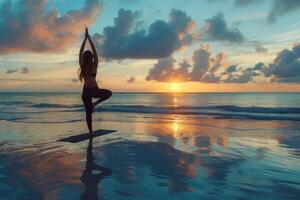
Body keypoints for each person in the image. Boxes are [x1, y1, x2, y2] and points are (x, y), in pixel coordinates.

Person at [79, 28, 112, 134]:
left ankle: (90, 132)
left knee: (88, 113)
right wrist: (89, 39)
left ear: (84, 58)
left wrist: (85, 39)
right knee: (108, 94)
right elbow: (94, 51)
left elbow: (80, 52)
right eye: (92, 56)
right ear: (91, 57)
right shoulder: (94, 65)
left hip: (86, 91)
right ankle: (95, 104)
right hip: (92, 90)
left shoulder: (83, 65)